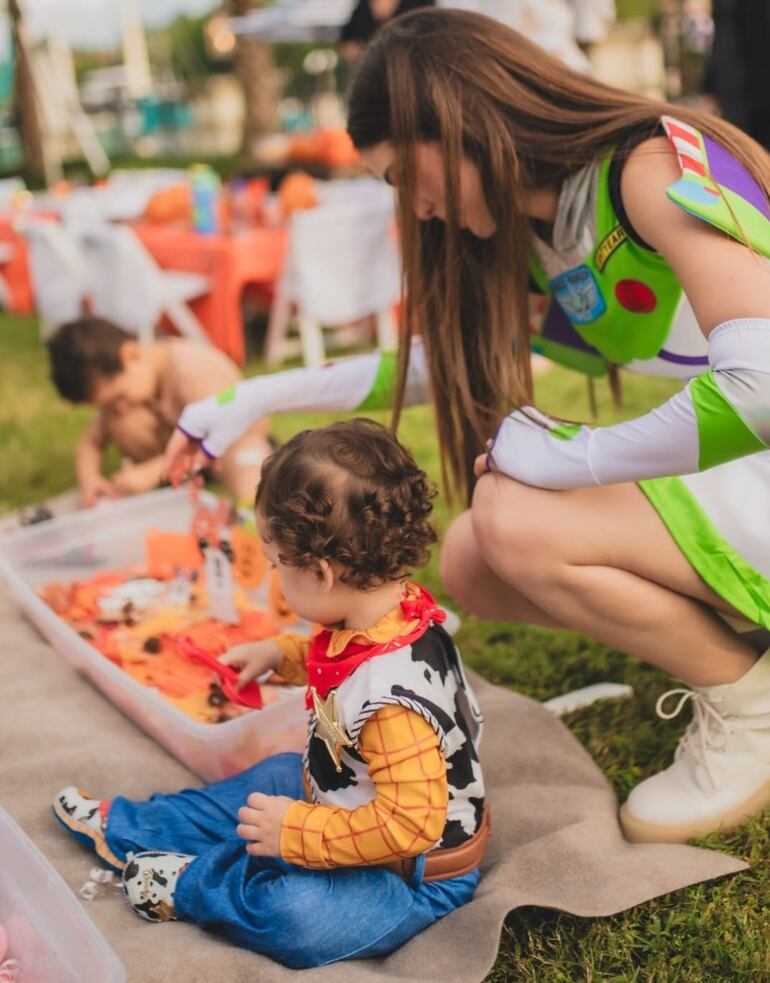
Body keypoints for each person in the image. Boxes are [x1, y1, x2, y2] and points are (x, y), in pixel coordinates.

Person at [163, 8, 770, 845]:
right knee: (474, 560)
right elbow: (433, 360)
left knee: (514, 517)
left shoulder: (650, 165)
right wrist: (251, 398)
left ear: (453, 121)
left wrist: (577, 455)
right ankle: (740, 642)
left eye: (401, 178)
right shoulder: (532, 225)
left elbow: (759, 387)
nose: (415, 207)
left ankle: (750, 699)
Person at [52, 419, 487, 968]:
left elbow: (408, 826)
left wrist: (298, 831)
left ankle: (190, 884)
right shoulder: (387, 610)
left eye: (278, 563)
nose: (275, 573)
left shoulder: (392, 710)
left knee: (296, 915)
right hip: (340, 802)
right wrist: (280, 655)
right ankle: (131, 828)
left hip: (409, 874)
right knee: (261, 785)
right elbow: (344, 656)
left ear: (323, 573)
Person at [47, 317, 273, 507]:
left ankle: (253, 515)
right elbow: (90, 443)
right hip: (181, 450)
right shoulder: (131, 384)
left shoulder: (192, 371)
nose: (119, 408)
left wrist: (152, 472)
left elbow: (218, 433)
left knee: (248, 473)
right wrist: (90, 481)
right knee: (124, 422)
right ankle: (179, 479)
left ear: (131, 355)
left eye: (119, 398)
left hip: (231, 441)